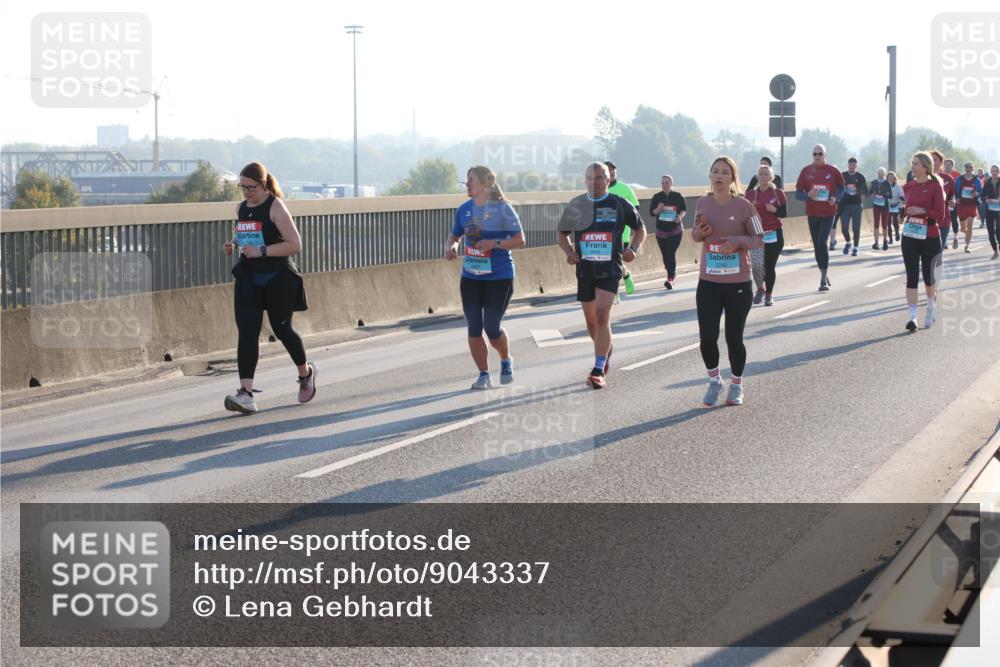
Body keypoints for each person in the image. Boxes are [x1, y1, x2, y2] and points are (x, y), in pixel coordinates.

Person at [223, 162, 314, 414]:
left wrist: (262, 251)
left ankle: (305, 373)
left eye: (251, 187)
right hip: (249, 277)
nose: (246, 192)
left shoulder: (276, 207)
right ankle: (246, 394)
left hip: (277, 277)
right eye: (242, 187)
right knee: (247, 332)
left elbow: (295, 244)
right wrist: (233, 243)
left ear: (263, 185)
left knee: (282, 330)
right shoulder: (241, 207)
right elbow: (245, 233)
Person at [558, 162, 646, 389]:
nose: (593, 182)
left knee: (602, 313)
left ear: (608, 180)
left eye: (599, 178)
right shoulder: (576, 204)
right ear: (584, 180)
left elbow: (641, 228)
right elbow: (562, 233)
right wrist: (569, 252)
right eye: (589, 177)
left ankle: (598, 369)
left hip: (610, 269)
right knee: (591, 321)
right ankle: (604, 349)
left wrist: (633, 250)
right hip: (585, 270)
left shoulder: (619, 203)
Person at [445, 165, 525, 390]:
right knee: (473, 326)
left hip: (499, 276)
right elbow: (455, 235)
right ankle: (483, 374)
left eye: (472, 180)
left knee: (491, 326)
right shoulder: (463, 210)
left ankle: (506, 359)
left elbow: (520, 240)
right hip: (471, 275)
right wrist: (451, 246)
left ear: (486, 183)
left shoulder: (503, 210)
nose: (467, 184)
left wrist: (494, 243)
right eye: (467, 180)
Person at [693, 156, 764, 407]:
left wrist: (737, 241)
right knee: (707, 337)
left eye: (725, 172)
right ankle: (714, 381)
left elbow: (759, 239)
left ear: (733, 178)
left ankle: (736, 384)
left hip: (738, 283)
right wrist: (698, 234)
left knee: (734, 338)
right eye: (715, 172)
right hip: (709, 282)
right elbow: (695, 235)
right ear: (710, 176)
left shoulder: (745, 207)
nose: (719, 176)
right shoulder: (702, 203)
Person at [900, 152, 946, 332]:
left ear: (926, 168)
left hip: (930, 237)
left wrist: (922, 210)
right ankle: (912, 317)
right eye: (912, 163)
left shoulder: (935, 187)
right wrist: (903, 214)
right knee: (911, 276)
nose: (913, 166)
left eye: (916, 164)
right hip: (910, 235)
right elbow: (906, 208)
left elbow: (940, 215)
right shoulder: (908, 186)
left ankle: (930, 308)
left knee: (928, 277)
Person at [795, 143, 845, 291]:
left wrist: (836, 198)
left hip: (828, 212)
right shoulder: (806, 171)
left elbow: (842, 187)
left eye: (820, 154)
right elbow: (797, 193)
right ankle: (824, 272)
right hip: (812, 213)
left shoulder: (833, 170)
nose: (817, 156)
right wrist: (807, 195)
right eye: (815, 154)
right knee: (817, 246)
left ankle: (823, 280)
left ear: (825, 155)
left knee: (822, 242)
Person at [744, 163, 787, 306]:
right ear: (757, 177)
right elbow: (744, 216)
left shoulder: (778, 193)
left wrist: (774, 210)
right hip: (756, 235)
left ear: (771, 177)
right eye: (761, 174)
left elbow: (784, 213)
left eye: (766, 174)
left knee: (769, 266)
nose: (763, 177)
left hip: (774, 234)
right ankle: (760, 289)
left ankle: (769, 294)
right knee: (756, 265)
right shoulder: (750, 195)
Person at [605, 161, 639, 296]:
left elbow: (636, 207)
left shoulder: (625, 188)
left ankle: (614, 290)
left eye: (613, 170)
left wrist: (624, 218)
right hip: (604, 234)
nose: (612, 173)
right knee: (608, 262)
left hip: (622, 233)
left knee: (615, 261)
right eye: (609, 170)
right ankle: (624, 276)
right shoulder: (598, 189)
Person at [649, 174, 687, 290]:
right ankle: (671, 272)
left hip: (675, 230)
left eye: (666, 183)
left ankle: (670, 279)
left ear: (671, 184)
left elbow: (684, 210)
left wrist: (680, 217)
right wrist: (658, 210)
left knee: (670, 253)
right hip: (661, 231)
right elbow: (651, 213)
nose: (664, 185)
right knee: (665, 256)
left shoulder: (678, 196)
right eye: (662, 183)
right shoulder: (657, 197)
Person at [836, 157, 868, 256]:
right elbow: (837, 187)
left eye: (854, 165)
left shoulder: (861, 177)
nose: (852, 167)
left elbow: (864, 192)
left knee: (856, 228)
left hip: (856, 205)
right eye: (850, 165)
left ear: (856, 166)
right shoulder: (842, 176)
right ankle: (848, 242)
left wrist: (861, 201)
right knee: (844, 228)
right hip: (844, 205)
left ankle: (855, 248)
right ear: (848, 165)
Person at [954, 161, 982, 253]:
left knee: (969, 225)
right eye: (967, 167)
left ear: (973, 169)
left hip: (972, 205)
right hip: (962, 205)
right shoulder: (960, 179)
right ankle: (968, 234)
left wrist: (976, 193)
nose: (969, 169)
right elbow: (955, 190)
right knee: (963, 228)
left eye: (970, 167)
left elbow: (980, 191)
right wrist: (956, 198)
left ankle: (967, 246)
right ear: (965, 168)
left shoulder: (976, 179)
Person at [931, 151, 955, 250]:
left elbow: (951, 196)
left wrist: (952, 201)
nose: (932, 161)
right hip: (926, 222)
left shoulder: (948, 179)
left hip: (943, 221)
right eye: (930, 159)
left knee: (938, 253)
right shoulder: (921, 178)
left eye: (935, 159)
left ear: (941, 163)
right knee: (927, 254)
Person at [868, 167, 893, 250]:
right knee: (876, 224)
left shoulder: (887, 183)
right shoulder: (874, 182)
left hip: (885, 206)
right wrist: (865, 194)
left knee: (884, 224)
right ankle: (876, 242)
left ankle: (885, 241)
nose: (880, 175)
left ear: (884, 174)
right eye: (879, 174)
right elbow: (870, 191)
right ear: (877, 174)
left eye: (882, 174)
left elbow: (890, 196)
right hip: (876, 205)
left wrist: (883, 194)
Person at [982, 164, 1000, 260]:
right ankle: (995, 251)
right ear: (990, 172)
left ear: (999, 172)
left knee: (998, 231)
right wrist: (986, 199)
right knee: (990, 231)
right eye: (993, 171)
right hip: (990, 209)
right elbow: (982, 195)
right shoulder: (987, 182)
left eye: (996, 170)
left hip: (999, 210)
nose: (994, 172)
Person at [887, 171, 904, 242]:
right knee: (888, 223)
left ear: (894, 178)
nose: (890, 179)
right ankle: (890, 238)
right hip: (888, 206)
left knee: (895, 222)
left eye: (892, 177)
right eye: (889, 178)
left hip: (896, 205)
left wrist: (901, 198)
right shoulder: (885, 186)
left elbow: (902, 196)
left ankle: (897, 233)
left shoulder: (897, 186)